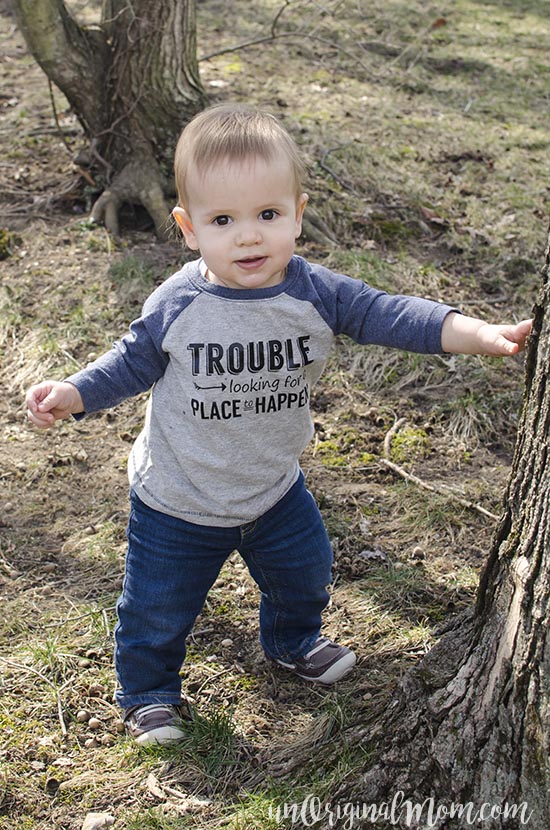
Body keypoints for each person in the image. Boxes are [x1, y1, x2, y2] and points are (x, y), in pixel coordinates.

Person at [25, 104, 532, 746]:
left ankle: (291, 642)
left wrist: (479, 333)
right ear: (188, 228)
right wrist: (72, 393)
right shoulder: (181, 303)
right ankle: (148, 691)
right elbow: (131, 362)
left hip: (272, 487)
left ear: (297, 211)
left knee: (306, 572)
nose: (248, 237)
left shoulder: (315, 293)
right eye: (223, 220)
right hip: (179, 499)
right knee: (157, 607)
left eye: (268, 215)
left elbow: (394, 314)